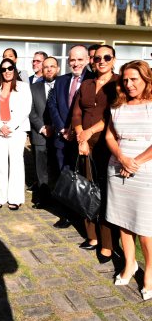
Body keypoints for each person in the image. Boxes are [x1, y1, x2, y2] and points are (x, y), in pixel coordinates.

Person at [105, 60, 152, 301]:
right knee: (123, 222)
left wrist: (137, 161)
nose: (129, 84)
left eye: (134, 79)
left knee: (145, 227)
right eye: (125, 80)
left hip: (146, 170)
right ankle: (130, 263)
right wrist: (122, 157)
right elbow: (110, 135)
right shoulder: (118, 105)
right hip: (118, 166)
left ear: (146, 79)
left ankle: (150, 273)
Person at [72, 45, 118, 262]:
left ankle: (108, 244)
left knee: (105, 194)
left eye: (106, 57)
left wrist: (89, 133)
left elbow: (112, 115)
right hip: (84, 145)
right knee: (87, 190)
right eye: (98, 57)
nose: (101, 61)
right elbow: (77, 112)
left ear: (113, 60)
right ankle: (92, 237)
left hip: (106, 146)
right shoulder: (87, 84)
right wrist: (81, 136)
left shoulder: (118, 83)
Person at [48, 44, 94, 228]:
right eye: (72, 60)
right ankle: (66, 215)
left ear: (88, 60)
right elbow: (52, 105)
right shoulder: (60, 81)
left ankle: (84, 216)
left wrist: (74, 131)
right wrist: (62, 129)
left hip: (83, 139)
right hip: (62, 138)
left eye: (80, 59)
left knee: (83, 178)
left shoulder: (93, 80)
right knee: (64, 177)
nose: (75, 63)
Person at [0, 59, 32, 210]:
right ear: (0, 72)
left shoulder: (23, 87)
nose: (7, 71)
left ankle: (15, 197)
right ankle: (0, 197)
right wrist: (0, 126)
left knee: (16, 164)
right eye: (4, 69)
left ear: (14, 69)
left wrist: (10, 126)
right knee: (0, 163)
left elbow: (26, 108)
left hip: (16, 130)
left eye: (10, 68)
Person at [29, 57, 60, 208]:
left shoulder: (63, 86)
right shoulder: (33, 88)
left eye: (52, 66)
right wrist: (42, 127)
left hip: (59, 135)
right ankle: (43, 199)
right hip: (39, 134)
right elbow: (30, 111)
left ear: (58, 68)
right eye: (46, 67)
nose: (48, 69)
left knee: (57, 168)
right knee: (41, 170)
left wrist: (56, 127)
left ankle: (58, 199)